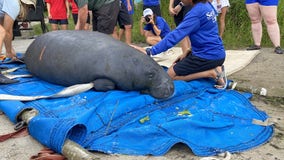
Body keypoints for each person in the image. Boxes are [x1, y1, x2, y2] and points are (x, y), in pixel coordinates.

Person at [136, 0, 227, 89]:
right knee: (175, 65)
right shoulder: (207, 5)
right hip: (217, 53)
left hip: (206, 56)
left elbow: (175, 35)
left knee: (170, 75)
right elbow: (208, 32)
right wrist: (188, 51)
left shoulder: (195, 14)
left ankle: (212, 72)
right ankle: (215, 68)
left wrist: (150, 51)